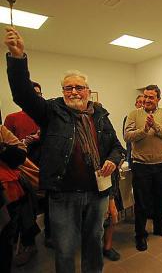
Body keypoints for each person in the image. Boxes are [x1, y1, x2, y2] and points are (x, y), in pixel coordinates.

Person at [4, 27, 124, 273]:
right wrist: (17, 58)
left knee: (93, 243)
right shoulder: (52, 111)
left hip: (97, 192)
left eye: (79, 87)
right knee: (66, 248)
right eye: (68, 88)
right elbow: (23, 95)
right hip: (63, 193)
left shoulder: (100, 115)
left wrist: (112, 159)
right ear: (62, 92)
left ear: (87, 91)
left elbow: (117, 147)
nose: (73, 92)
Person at [124, 84, 162, 252]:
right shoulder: (133, 114)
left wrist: (155, 125)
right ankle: (140, 235)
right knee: (142, 203)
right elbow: (127, 136)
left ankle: (159, 228)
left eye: (151, 97)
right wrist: (144, 129)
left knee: (161, 199)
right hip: (141, 166)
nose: (146, 100)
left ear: (158, 99)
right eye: (145, 96)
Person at [3, 81, 44, 265]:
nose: (35, 96)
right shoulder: (12, 118)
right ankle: (28, 243)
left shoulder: (45, 117)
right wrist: (28, 140)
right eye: (31, 93)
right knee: (27, 209)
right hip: (24, 168)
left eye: (38, 93)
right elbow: (16, 146)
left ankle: (49, 236)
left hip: (45, 165)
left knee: (50, 202)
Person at [0, 125, 27, 273]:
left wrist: (3, 148)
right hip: (7, 187)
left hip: (6, 191)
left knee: (5, 238)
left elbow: (21, 154)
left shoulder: (0, 130)